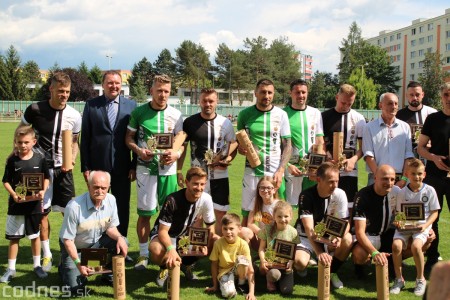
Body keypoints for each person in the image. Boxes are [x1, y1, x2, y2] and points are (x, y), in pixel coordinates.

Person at [20, 71, 82, 272]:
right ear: (51, 89)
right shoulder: (35, 109)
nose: (64, 95)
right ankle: (47, 255)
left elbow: (74, 142)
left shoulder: (74, 115)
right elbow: (21, 132)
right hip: (39, 171)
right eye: (60, 91)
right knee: (41, 213)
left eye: (67, 92)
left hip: (64, 172)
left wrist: (71, 160)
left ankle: (66, 253)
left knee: (69, 213)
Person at [125, 74, 183, 270]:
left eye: (166, 91)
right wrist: (139, 150)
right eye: (159, 90)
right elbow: (129, 138)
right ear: (151, 91)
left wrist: (176, 154)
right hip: (146, 170)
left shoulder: (176, 115)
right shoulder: (139, 112)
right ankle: (143, 255)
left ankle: (170, 251)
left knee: (171, 215)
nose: (163, 95)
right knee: (145, 214)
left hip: (169, 171)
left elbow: (182, 143)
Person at [80, 70, 137, 247]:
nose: (114, 86)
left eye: (117, 83)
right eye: (110, 83)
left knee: (122, 207)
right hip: (98, 168)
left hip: (123, 166)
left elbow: (136, 137)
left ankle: (122, 243)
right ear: (103, 85)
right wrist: (85, 166)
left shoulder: (131, 106)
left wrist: (134, 164)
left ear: (121, 85)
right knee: (97, 206)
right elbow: (86, 138)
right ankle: (96, 245)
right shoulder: (91, 105)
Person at [178, 88, 237, 235]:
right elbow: (183, 148)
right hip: (198, 177)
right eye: (204, 101)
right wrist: (179, 170)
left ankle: (213, 248)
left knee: (220, 214)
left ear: (217, 102)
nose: (208, 104)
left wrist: (228, 159)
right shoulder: (190, 122)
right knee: (197, 215)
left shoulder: (226, 123)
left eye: (211, 101)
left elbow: (233, 146)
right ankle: (198, 250)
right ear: (200, 102)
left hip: (220, 176)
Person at [59, 170, 128, 295]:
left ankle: (108, 275)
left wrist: (119, 237)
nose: (100, 191)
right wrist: (78, 264)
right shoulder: (74, 207)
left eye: (103, 188)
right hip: (75, 248)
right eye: (96, 187)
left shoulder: (111, 200)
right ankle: (65, 266)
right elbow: (68, 240)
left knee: (123, 241)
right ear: (88, 186)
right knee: (76, 290)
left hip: (95, 245)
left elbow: (111, 228)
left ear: (109, 188)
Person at [148, 167, 219, 287]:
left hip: (184, 236)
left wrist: (204, 244)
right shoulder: (172, 200)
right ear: (186, 183)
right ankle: (164, 267)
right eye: (195, 184)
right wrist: (170, 249)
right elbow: (162, 231)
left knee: (215, 240)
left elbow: (210, 228)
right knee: (155, 249)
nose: (199, 188)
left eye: (202, 184)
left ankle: (186, 265)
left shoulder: (206, 199)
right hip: (167, 235)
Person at [237, 78, 291, 226]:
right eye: (262, 92)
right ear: (255, 93)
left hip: (274, 173)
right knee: (247, 215)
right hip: (252, 172)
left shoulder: (281, 115)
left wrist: (281, 170)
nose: (266, 96)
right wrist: (242, 149)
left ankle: (276, 248)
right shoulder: (244, 114)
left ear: (273, 94)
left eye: (269, 92)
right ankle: (248, 248)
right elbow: (240, 143)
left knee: (279, 215)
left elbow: (288, 145)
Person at [0, 125, 50, 282]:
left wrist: (43, 190)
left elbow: (47, 178)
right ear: (15, 142)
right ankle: (11, 269)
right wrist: (14, 194)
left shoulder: (40, 159)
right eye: (19, 142)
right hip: (16, 206)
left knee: (35, 236)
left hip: (34, 206)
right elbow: (5, 181)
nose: (22, 145)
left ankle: (37, 266)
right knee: (14, 238)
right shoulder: (12, 160)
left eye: (26, 142)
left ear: (34, 142)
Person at [294, 162, 352, 289]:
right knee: (299, 262)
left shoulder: (340, 193)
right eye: (331, 182)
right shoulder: (306, 195)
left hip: (328, 236)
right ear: (319, 180)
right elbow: (309, 230)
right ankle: (305, 262)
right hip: (306, 237)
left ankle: (332, 271)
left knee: (348, 239)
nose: (335, 185)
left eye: (337, 181)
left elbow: (346, 222)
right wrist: (319, 252)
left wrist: (339, 237)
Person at [390, 159, 439, 296]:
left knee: (416, 246)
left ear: (424, 174)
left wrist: (426, 225)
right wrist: (399, 222)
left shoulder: (430, 190)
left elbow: (435, 212)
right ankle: (399, 279)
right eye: (413, 174)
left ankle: (420, 279)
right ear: (407, 174)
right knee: (396, 246)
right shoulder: (401, 192)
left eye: (419, 174)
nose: (416, 177)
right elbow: (399, 213)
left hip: (422, 227)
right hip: (405, 227)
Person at [417, 82, 450, 273]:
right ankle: (432, 258)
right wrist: (433, 158)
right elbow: (420, 147)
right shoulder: (433, 119)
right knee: (432, 218)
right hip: (435, 176)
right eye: (446, 94)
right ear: (441, 96)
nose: (449, 98)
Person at [352, 165, 400, 275]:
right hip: (369, 235)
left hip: (387, 234)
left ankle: (392, 261)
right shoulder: (363, 196)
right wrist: (374, 253)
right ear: (375, 178)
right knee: (360, 254)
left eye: (392, 179)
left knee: (420, 242)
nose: (389, 183)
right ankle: (360, 265)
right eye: (385, 178)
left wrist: (425, 229)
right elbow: (359, 233)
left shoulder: (397, 191)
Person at [322, 84, 365, 205]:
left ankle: (348, 224)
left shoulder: (359, 119)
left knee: (349, 203)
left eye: (349, 104)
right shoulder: (324, 117)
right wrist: (327, 157)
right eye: (343, 102)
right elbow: (320, 142)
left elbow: (363, 147)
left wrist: (353, 160)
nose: (346, 106)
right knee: (327, 203)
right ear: (337, 97)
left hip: (349, 170)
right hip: (328, 167)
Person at [284, 79, 324, 206]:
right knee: (289, 207)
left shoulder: (315, 113)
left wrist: (318, 165)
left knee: (312, 204)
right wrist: (287, 165)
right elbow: (279, 145)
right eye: (297, 92)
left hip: (312, 168)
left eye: (303, 92)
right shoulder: (282, 114)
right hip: (292, 166)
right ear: (291, 93)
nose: (301, 95)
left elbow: (319, 140)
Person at [362, 93, 414, 186]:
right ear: (380, 105)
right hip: (376, 178)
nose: (393, 107)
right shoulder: (369, 127)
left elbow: (408, 155)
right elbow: (368, 155)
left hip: (400, 180)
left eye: (396, 104)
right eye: (390, 103)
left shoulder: (405, 127)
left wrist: (404, 179)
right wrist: (379, 176)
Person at [206, 213, 256, 300]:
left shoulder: (243, 244)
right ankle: (231, 284)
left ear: (239, 229)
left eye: (231, 229)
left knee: (242, 260)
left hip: (240, 271)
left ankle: (241, 283)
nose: (228, 232)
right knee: (228, 294)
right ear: (221, 229)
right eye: (225, 229)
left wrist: (251, 293)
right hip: (225, 272)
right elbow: (214, 264)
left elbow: (250, 269)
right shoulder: (218, 243)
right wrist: (215, 285)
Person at [258, 201, 299, 294]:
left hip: (285, 265)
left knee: (287, 291)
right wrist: (263, 261)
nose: (283, 219)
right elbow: (261, 248)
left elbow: (294, 251)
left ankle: (283, 278)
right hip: (272, 265)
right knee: (274, 274)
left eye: (286, 216)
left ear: (291, 216)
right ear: (274, 216)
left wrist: (291, 262)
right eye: (279, 216)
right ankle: (270, 279)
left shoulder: (293, 232)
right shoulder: (267, 229)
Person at [396, 81, 437, 158]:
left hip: (428, 158)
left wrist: (432, 142)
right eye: (411, 95)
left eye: (417, 95)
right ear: (406, 96)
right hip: (406, 159)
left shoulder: (433, 113)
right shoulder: (399, 115)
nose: (414, 98)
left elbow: (440, 136)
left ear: (422, 95)